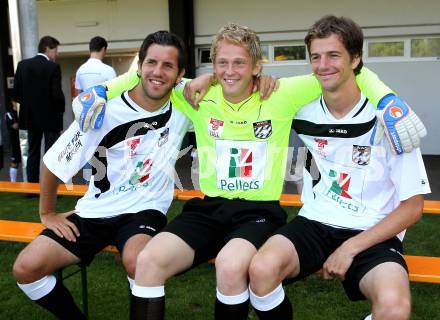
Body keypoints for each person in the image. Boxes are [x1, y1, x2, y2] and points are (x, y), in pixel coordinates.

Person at [84, 22, 414, 320]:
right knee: (147, 261)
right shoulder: (196, 94)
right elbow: (151, 73)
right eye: (222, 63)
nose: (230, 71)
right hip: (208, 207)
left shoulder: (284, 94)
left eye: (240, 62)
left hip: (257, 212)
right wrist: (102, 91)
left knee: (230, 265)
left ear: (257, 66)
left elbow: (347, 73)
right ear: (212, 67)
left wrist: (387, 101)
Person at [248, 16, 431, 320]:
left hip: (373, 230)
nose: (323, 65)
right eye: (316, 57)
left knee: (395, 306)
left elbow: (412, 207)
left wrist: (350, 248)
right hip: (316, 221)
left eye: (333, 55)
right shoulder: (300, 110)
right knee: (260, 269)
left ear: (356, 59)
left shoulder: (390, 119)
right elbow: (237, 87)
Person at [12, 30, 192, 319]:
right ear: (139, 66)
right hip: (94, 211)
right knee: (26, 268)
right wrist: (47, 212)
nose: (158, 72)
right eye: (151, 63)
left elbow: (231, 84)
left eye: (168, 65)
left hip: (144, 209)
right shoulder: (102, 110)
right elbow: (54, 162)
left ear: (180, 73)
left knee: (139, 261)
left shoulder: (187, 105)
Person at [12, 35, 65, 183]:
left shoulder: (22, 65)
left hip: (30, 117)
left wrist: (29, 105)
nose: (57, 54)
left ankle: (32, 188)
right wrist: (60, 114)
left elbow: (16, 95)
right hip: (50, 118)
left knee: (32, 152)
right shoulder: (53, 67)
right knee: (51, 154)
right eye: (55, 50)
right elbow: (57, 96)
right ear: (48, 49)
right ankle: (50, 187)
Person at [75, 36, 117, 183]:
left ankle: (87, 185)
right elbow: (114, 96)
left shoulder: (80, 70)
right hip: (105, 117)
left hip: (86, 117)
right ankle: (103, 183)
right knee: (104, 151)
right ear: (103, 49)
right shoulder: (108, 70)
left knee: (87, 151)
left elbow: (78, 96)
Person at [4, 100, 22, 181]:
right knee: (15, 162)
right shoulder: (9, 114)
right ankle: (13, 183)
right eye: (15, 101)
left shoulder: (22, 112)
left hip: (27, 140)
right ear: (12, 102)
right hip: (16, 142)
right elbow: (15, 126)